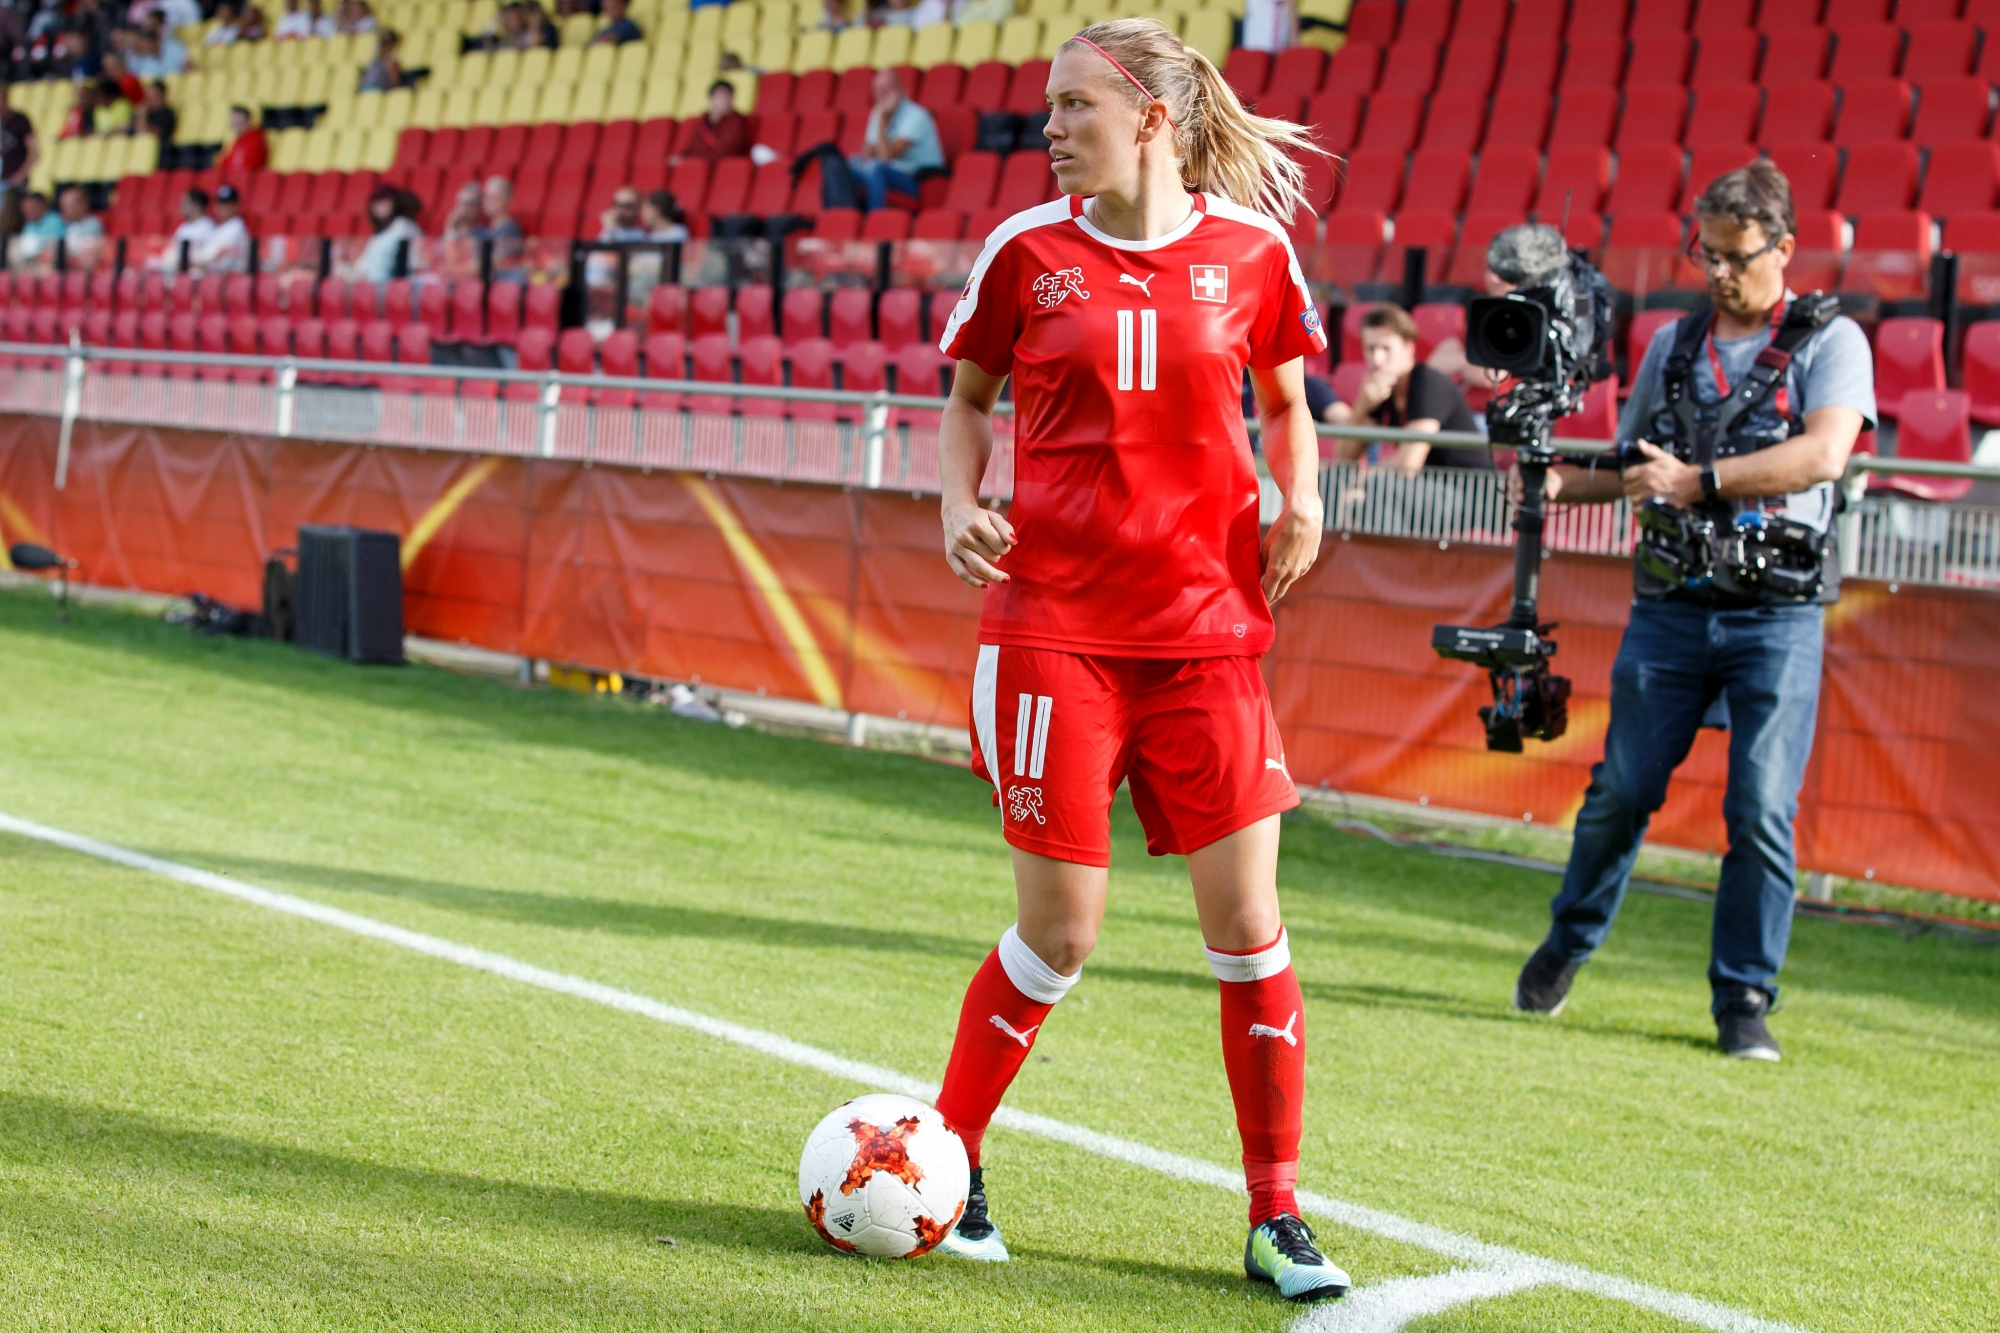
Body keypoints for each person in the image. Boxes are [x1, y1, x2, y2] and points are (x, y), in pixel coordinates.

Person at [928, 17, 1349, 1302]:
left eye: (1070, 108)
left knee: (1249, 927)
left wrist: (1302, 497)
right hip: (1052, 631)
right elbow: (964, 402)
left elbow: (1284, 403)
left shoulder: (1250, 253)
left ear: (1152, 121)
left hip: (1209, 637)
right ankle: (951, 1158)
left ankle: (1275, 1214)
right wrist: (957, 504)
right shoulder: (1024, 252)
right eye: (1047, 108)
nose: (1046, 129)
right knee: (1060, 934)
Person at [1509, 162, 1874, 1061]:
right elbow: (1636, 467)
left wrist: (1701, 480)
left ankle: (1744, 999)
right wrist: (1553, 476)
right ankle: (1567, 942)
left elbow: (1826, 454)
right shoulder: (1675, 343)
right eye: (1704, 253)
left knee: (1759, 807)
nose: (1715, 272)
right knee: (1622, 790)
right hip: (1672, 604)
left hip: (1778, 616)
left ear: (1783, 248)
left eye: (1734, 256)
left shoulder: (1835, 342)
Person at [1325, 303, 1491, 472]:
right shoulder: (1381, 389)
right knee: (1330, 478)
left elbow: (1407, 465)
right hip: (1422, 489)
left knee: (1381, 487)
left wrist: (1363, 482)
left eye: (1386, 348)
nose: (1377, 359)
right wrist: (1361, 406)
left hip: (1465, 491)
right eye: (1370, 348)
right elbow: (1343, 460)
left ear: (1408, 348)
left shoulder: (1427, 381)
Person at [1425, 222, 1560, 395]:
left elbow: (1489, 378)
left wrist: (1463, 363)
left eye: (1505, 273)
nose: (1494, 279)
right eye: (1490, 269)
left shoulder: (1546, 321)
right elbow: (1433, 367)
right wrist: (1469, 364)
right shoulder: (1485, 318)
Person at [849, 67, 943, 211]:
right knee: (849, 164)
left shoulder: (917, 115)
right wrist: (882, 144)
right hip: (892, 170)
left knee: (876, 168)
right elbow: (867, 154)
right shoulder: (878, 112)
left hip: (917, 179)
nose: (881, 95)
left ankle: (874, 221)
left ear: (900, 89)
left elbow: (885, 156)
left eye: (886, 90)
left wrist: (882, 121)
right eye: (878, 90)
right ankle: (845, 221)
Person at [356, 183, 423, 281]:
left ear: (396, 202)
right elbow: (364, 267)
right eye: (376, 201)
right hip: (378, 286)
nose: (379, 205)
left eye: (385, 200)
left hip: (401, 286)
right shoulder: (379, 235)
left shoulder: (404, 226)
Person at [673, 79, 748, 164]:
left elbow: (726, 151)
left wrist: (691, 160)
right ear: (711, 99)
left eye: (728, 96)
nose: (725, 101)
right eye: (720, 97)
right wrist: (683, 158)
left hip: (720, 168)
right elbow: (690, 148)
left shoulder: (737, 122)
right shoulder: (700, 123)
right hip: (698, 166)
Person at [190, 182, 251, 273]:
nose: (222, 208)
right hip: (215, 273)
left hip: (230, 276)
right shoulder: (221, 227)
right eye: (220, 203)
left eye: (227, 204)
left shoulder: (236, 226)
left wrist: (194, 261)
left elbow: (216, 254)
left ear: (236, 205)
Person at [0, 82, 36, 235]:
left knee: (9, 213)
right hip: (2, 180)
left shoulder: (20, 120)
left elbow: (34, 151)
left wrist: (20, 175)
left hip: (14, 183)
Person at [14, 191, 65, 260]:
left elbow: (55, 248)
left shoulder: (55, 220)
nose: (27, 212)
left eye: (31, 208)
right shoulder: (29, 224)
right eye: (24, 209)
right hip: (32, 263)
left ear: (42, 206)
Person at [215, 105, 267, 170]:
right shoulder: (238, 141)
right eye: (234, 123)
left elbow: (251, 165)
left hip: (248, 178)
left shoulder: (255, 139)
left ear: (248, 121)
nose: (235, 125)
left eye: (239, 121)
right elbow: (225, 163)